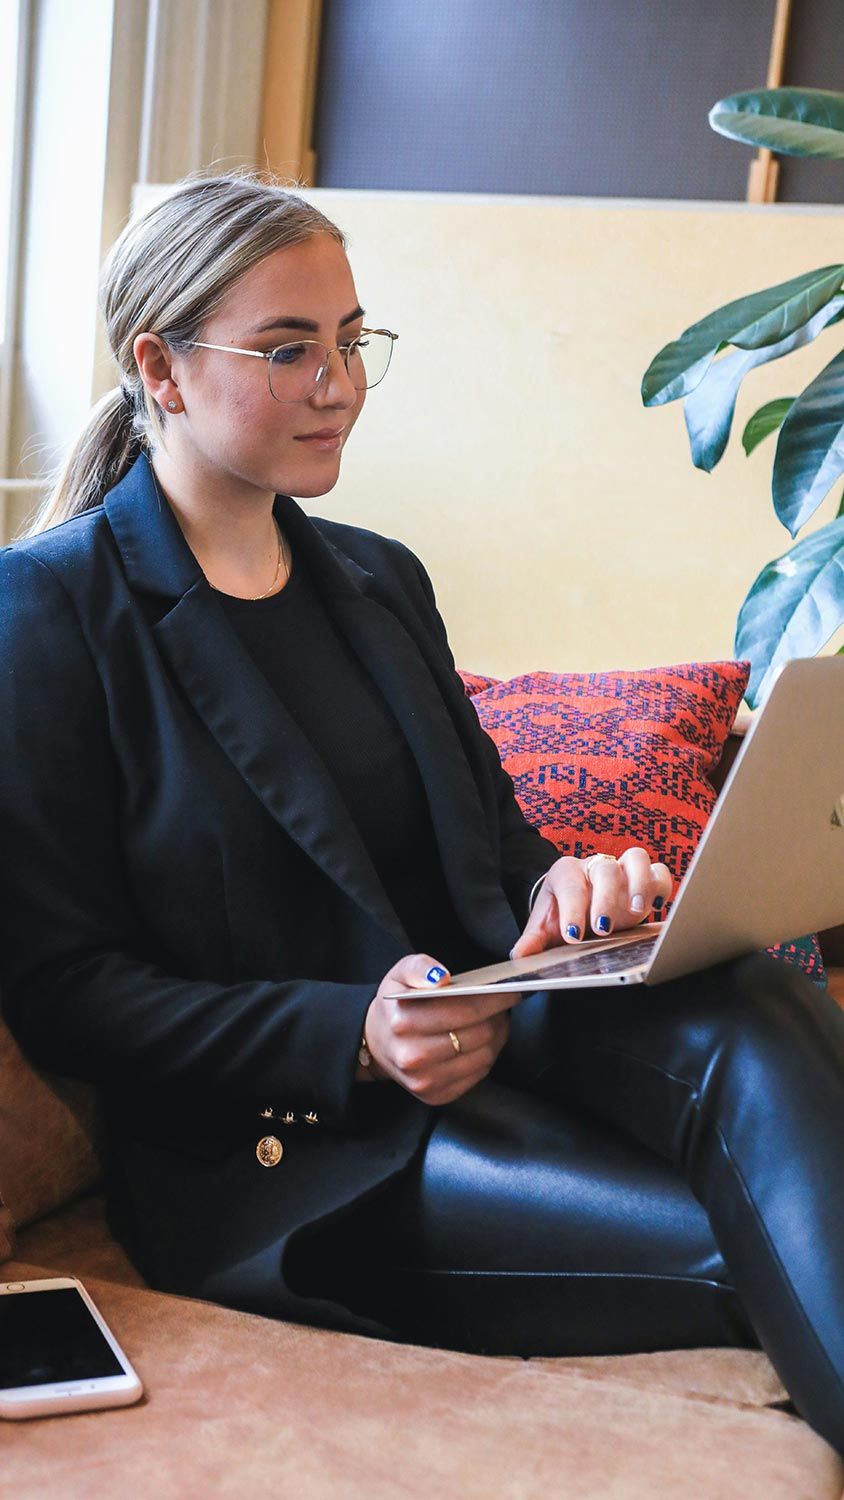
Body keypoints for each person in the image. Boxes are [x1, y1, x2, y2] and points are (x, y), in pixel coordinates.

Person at [0, 169, 842, 1454]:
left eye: (350, 341)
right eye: (288, 350)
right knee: (776, 1245)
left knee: (765, 1003)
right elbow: (65, 986)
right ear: (160, 369)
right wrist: (353, 1035)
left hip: (507, 1039)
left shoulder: (379, 580)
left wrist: (570, 890)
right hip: (301, 1154)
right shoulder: (47, 615)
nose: (337, 384)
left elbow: (499, 855)